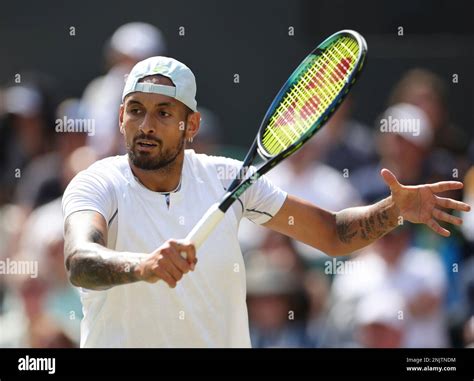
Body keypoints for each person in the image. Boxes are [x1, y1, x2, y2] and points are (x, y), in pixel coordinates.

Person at [62, 56, 471, 348]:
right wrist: (143, 265)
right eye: (136, 111)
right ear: (120, 118)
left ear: (192, 126)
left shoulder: (229, 178)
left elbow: (331, 234)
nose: (146, 125)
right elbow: (80, 260)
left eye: (164, 113)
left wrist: (393, 210)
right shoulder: (97, 183)